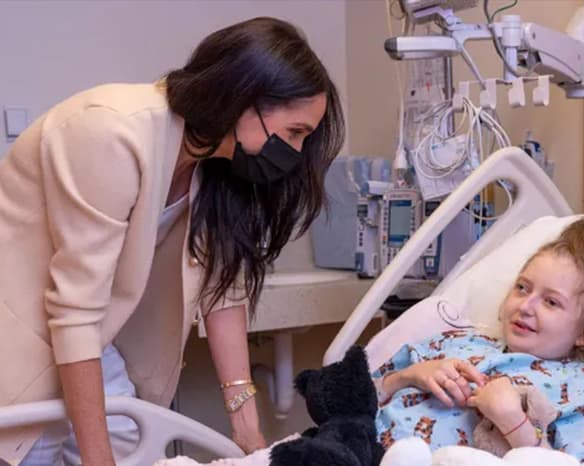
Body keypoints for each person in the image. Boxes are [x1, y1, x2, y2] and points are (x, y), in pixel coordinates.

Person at [0, 17, 344, 466]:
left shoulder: (213, 164)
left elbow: (225, 290)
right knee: (42, 451)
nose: (296, 152)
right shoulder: (112, 133)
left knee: (129, 441)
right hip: (20, 339)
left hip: (87, 342)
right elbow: (74, 311)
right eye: (295, 132)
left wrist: (248, 433)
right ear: (243, 97)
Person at [373, 207, 584, 461]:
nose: (525, 307)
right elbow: (358, 395)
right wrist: (406, 377)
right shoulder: (454, 342)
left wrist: (514, 423)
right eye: (522, 288)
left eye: (551, 302)